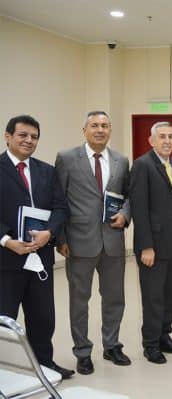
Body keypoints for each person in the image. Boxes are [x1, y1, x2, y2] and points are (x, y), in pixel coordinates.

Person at [54, 111, 132, 374]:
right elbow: (59, 200)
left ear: (110, 130)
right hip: (79, 242)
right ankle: (83, 351)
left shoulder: (121, 160)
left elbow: (128, 196)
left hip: (113, 242)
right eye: (95, 125)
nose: (100, 130)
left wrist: (125, 214)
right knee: (79, 300)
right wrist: (61, 238)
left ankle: (111, 346)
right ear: (84, 129)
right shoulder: (66, 159)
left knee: (114, 299)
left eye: (105, 126)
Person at [0, 115, 73, 378]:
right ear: (8, 136)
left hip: (40, 257)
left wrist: (49, 233)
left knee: (43, 318)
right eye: (23, 135)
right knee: (5, 319)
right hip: (6, 259)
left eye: (34, 136)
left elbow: (60, 207)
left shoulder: (47, 171)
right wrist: (7, 241)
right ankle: (5, 372)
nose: (29, 140)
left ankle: (45, 365)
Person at [130, 121, 172, 364]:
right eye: (162, 136)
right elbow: (139, 208)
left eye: (171, 136)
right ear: (151, 141)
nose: (167, 140)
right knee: (153, 297)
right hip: (152, 245)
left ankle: (165, 336)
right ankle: (151, 344)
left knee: (169, 295)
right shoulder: (143, 165)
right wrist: (146, 246)